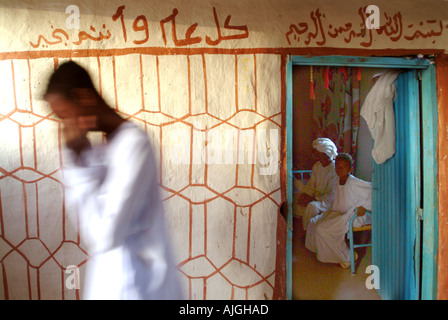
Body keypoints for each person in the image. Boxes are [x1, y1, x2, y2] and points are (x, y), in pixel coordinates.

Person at [44, 61, 183, 299]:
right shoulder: (102, 149)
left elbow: (104, 235)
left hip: (140, 289)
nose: (64, 127)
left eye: (64, 115)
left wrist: (77, 165)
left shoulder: (133, 145)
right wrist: (80, 158)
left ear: (83, 97)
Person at [304, 153, 372, 268]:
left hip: (354, 215)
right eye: (337, 166)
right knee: (314, 222)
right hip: (340, 212)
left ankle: (348, 257)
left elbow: (374, 191)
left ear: (350, 168)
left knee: (323, 229)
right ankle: (320, 250)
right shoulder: (337, 181)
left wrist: (364, 206)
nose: (338, 169)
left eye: (342, 167)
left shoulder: (354, 182)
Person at [293, 138, 338, 231]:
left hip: (328, 202)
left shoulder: (335, 169)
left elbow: (331, 194)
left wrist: (312, 199)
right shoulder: (317, 166)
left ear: (326, 154)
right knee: (297, 201)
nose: (316, 157)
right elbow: (311, 185)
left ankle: (307, 232)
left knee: (312, 207)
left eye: (318, 155)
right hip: (317, 198)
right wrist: (305, 195)